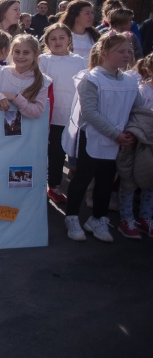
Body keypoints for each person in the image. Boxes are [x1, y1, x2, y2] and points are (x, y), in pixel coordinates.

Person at [62, 33, 144, 242]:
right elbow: (90, 112)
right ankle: (71, 217)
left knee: (107, 181)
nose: (126, 55)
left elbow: (137, 109)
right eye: (121, 51)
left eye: (129, 51)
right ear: (105, 53)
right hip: (93, 137)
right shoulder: (91, 78)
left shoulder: (130, 81)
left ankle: (98, 218)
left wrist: (132, 132)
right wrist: (115, 134)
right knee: (82, 178)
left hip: (119, 140)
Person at [39, 23, 87, 204]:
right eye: (53, 38)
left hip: (74, 115)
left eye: (61, 38)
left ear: (69, 39)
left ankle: (76, 186)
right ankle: (53, 185)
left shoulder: (81, 61)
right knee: (55, 153)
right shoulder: (43, 60)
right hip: (52, 115)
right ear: (47, 41)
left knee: (75, 153)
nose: (57, 42)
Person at [116, 100, 153, 238]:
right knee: (128, 181)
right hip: (136, 141)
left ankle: (146, 217)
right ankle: (126, 219)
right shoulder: (141, 92)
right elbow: (132, 114)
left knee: (150, 182)